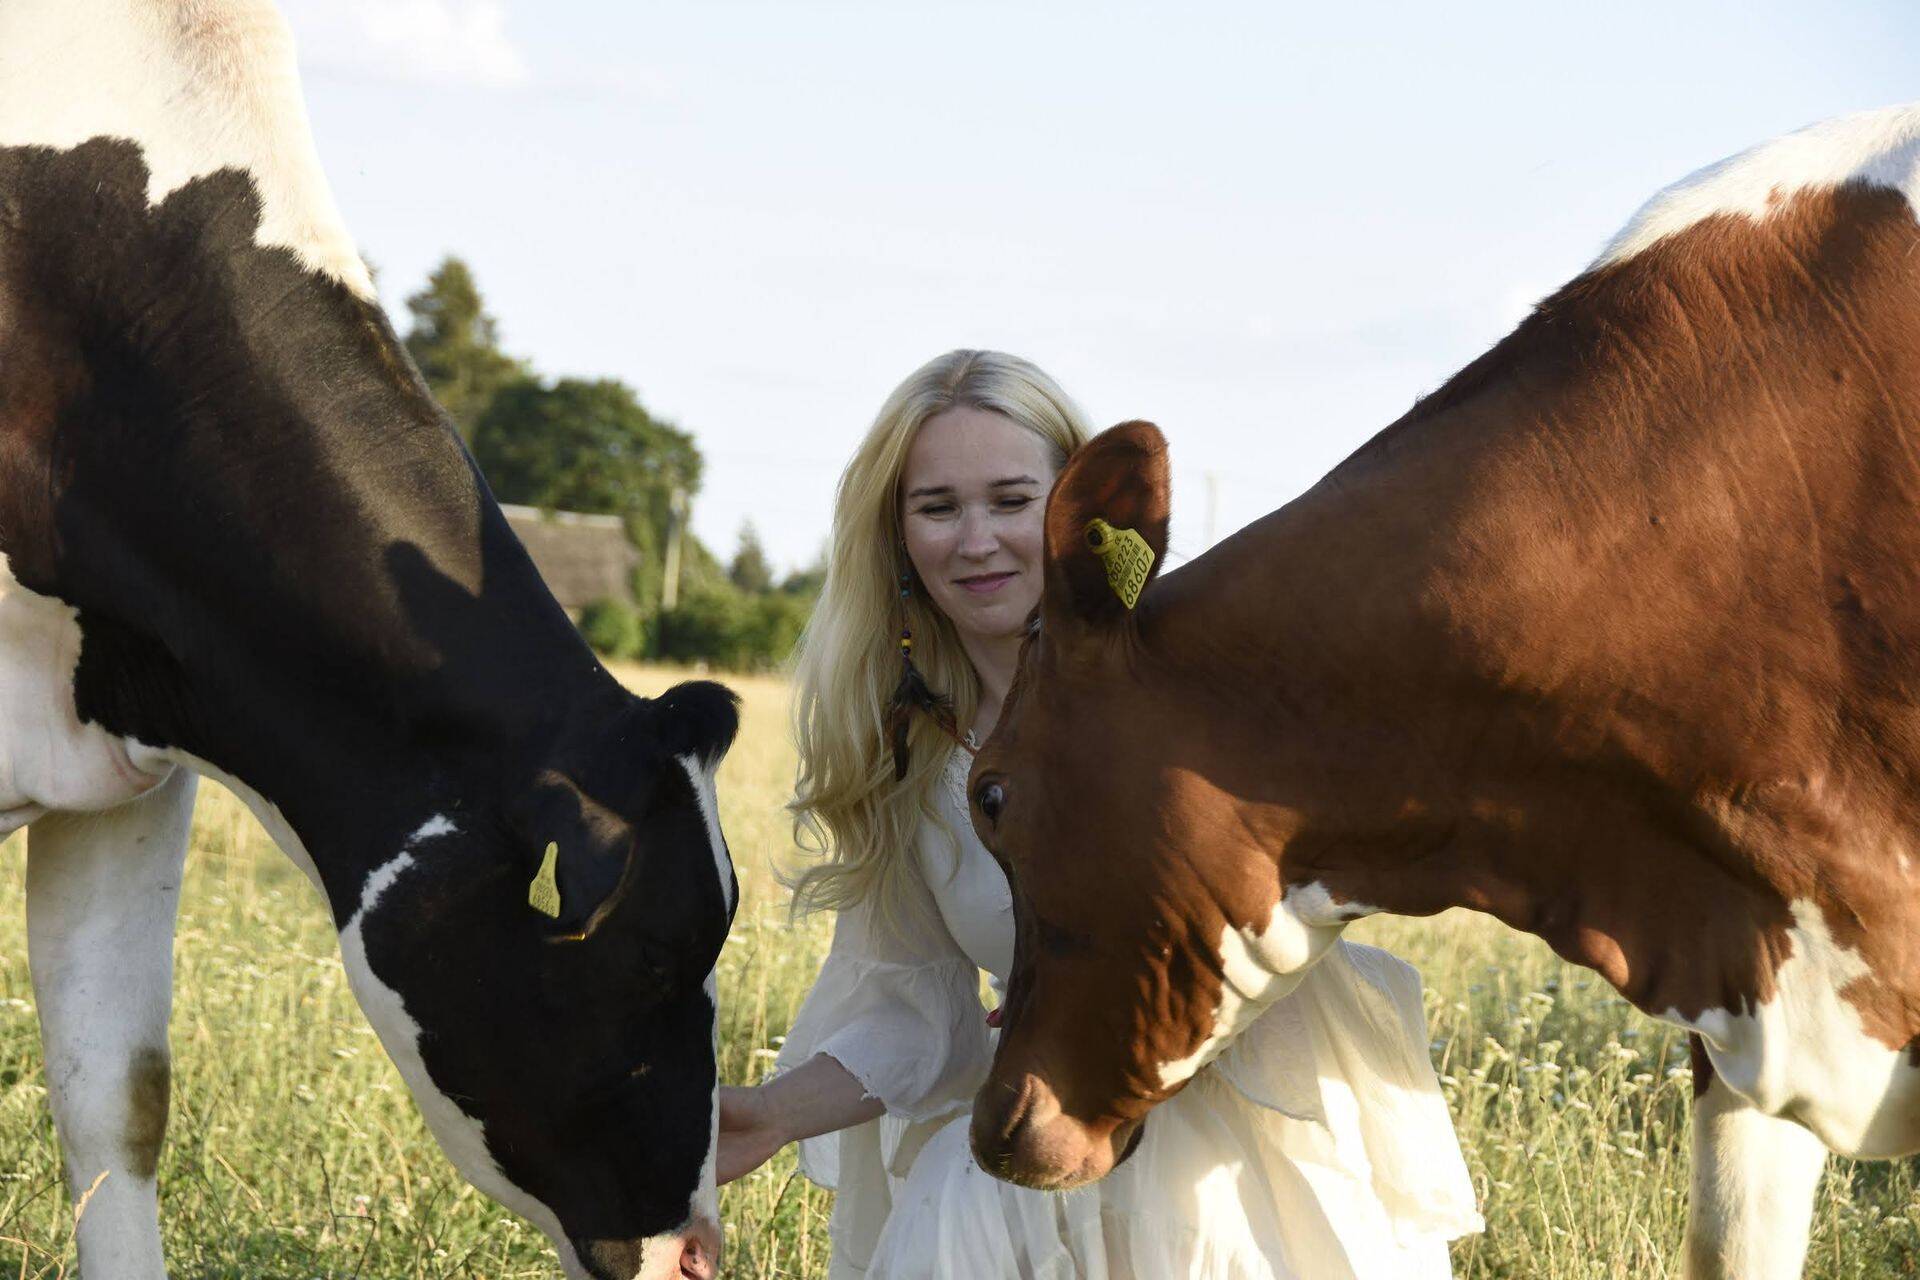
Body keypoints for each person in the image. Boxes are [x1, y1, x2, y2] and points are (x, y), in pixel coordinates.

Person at [718, 349, 1482, 1279]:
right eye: (937, 508)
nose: (976, 539)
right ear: (897, 537)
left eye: (1010, 499)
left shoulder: (1197, 680)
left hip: (1252, 1163)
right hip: (1035, 1163)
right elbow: (914, 1008)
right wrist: (765, 1114)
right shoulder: (908, 761)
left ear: (1075, 511)